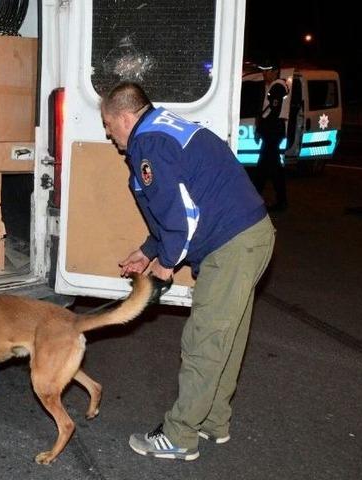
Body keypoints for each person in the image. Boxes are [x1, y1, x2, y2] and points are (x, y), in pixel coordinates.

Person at [100, 82, 275, 461]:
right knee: (225, 337)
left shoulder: (149, 145)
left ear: (126, 118)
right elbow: (182, 201)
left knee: (203, 341)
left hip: (231, 245)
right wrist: (148, 250)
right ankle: (213, 421)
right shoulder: (164, 127)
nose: (108, 133)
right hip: (248, 236)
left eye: (109, 124)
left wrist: (166, 261)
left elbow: (183, 215)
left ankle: (180, 435)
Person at [252, 76, 289, 213]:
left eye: (267, 70)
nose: (265, 74)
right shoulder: (275, 86)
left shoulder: (277, 87)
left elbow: (273, 112)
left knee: (265, 168)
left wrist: (261, 128)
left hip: (272, 134)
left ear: (274, 71)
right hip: (272, 134)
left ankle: (254, 200)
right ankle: (279, 201)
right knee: (272, 169)